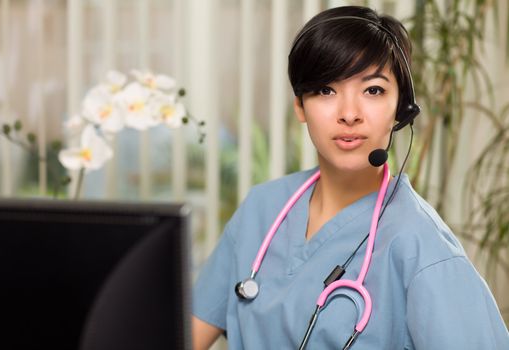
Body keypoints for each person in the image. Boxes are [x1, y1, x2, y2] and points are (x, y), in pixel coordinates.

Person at [192, 5, 509, 350]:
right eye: (326, 90)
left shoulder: (421, 247)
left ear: (401, 108)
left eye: (373, 90)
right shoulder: (262, 208)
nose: (349, 114)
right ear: (300, 105)